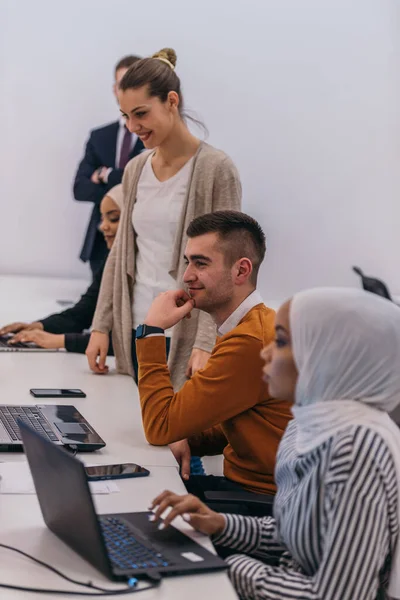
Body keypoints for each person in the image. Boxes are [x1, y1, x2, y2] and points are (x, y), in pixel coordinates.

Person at [149, 288, 400, 599]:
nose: (265, 353)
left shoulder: (356, 449)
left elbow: (335, 596)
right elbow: (292, 536)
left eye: (280, 342)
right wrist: (219, 525)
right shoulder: (308, 424)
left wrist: (226, 566)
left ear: (323, 358)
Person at [86, 48, 242, 390]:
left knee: (167, 438)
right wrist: (102, 324)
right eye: (126, 115)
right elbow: (122, 253)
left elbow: (228, 266)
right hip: (139, 332)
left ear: (172, 101)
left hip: (186, 339)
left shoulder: (216, 170)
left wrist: (206, 341)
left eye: (141, 113)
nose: (132, 126)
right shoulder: (135, 169)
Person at [135, 211, 292, 501]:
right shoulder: (253, 324)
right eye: (188, 261)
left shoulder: (249, 341)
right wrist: (187, 435)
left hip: (263, 503)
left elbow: (159, 426)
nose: (186, 276)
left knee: (136, 499)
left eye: (200, 263)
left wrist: (152, 331)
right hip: (252, 490)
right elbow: (239, 423)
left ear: (241, 271)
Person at [0, 185, 123, 352]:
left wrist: (62, 341)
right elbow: (84, 312)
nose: (103, 227)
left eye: (114, 218)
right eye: (102, 219)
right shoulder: (113, 262)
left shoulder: (151, 271)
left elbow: (132, 343)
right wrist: (38, 326)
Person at [73, 55, 144, 277]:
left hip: (142, 239)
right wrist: (123, 183)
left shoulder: (156, 136)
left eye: (135, 82)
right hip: (100, 243)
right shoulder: (99, 136)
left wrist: (106, 175)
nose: (128, 89)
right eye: (123, 83)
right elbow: (80, 188)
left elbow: (147, 183)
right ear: (115, 89)